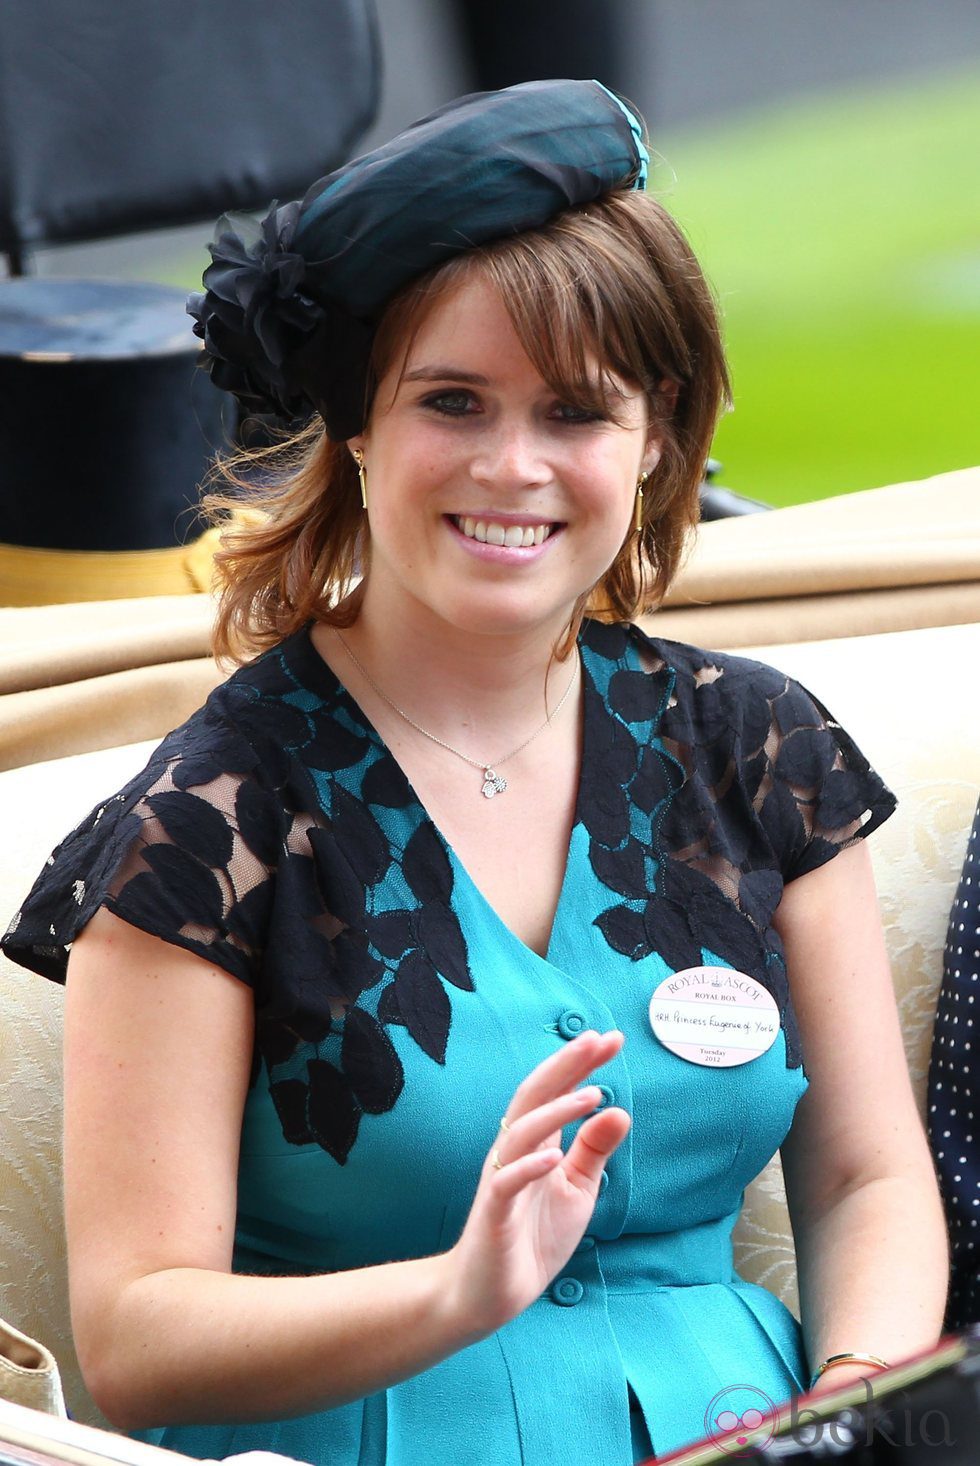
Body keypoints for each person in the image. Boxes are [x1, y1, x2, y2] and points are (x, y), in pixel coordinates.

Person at [1, 80, 948, 1464]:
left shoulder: (761, 749)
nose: (514, 468)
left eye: (575, 411)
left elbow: (866, 1178)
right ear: (358, 426)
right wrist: (459, 1290)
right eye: (453, 400)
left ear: (655, 434)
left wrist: (854, 1405)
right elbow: (140, 1337)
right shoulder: (213, 823)